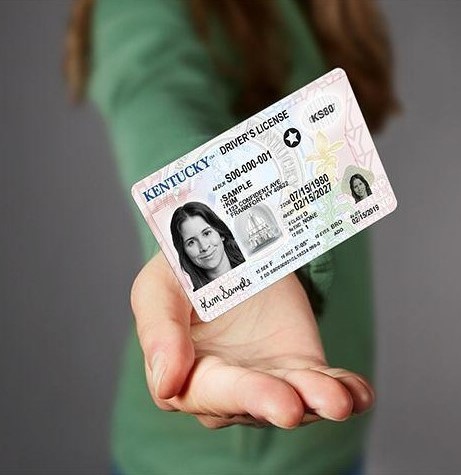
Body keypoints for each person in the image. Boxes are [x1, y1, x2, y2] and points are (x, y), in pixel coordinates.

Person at [64, 0, 399, 474]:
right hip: (214, 459)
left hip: (331, 436)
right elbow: (157, 96)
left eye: (205, 235)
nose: (200, 246)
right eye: (191, 241)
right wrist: (211, 250)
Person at [170, 201, 245, 290]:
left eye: (206, 233)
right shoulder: (195, 301)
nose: (204, 247)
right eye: (191, 242)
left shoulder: (255, 262)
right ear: (185, 252)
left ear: (220, 233)